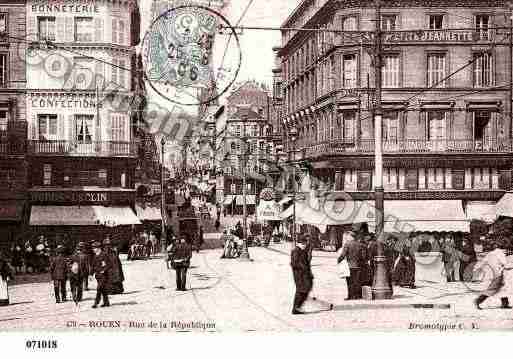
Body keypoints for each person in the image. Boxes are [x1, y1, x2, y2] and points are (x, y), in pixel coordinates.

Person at [475, 240, 513, 310]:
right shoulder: (500, 254)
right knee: (493, 289)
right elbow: (505, 264)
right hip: (498, 273)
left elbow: (483, 262)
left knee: (502, 288)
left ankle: (505, 303)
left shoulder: (490, 254)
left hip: (491, 274)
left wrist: (477, 269)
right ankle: (478, 301)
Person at [338, 228, 367, 300]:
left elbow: (343, 255)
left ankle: (350, 296)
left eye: (348, 236)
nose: (347, 237)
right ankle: (357, 296)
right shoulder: (360, 244)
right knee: (357, 281)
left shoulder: (347, 244)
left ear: (351, 236)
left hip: (350, 266)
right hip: (358, 266)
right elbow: (363, 256)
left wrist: (338, 260)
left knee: (350, 282)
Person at [291, 235, 313, 314]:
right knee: (301, 290)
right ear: (302, 243)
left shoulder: (303, 250)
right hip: (299, 275)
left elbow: (307, 261)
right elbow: (294, 263)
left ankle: (298, 307)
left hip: (305, 274)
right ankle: (296, 308)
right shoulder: (296, 250)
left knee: (306, 289)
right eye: (305, 242)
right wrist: (303, 267)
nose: (306, 244)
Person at [91, 241, 111, 308]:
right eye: (93, 248)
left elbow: (109, 265)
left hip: (104, 276)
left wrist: (104, 270)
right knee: (103, 289)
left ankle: (96, 303)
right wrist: (91, 274)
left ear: (99, 248)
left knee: (99, 288)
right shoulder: (95, 256)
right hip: (98, 276)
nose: (93, 249)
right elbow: (93, 266)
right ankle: (106, 302)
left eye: (94, 248)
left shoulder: (104, 255)